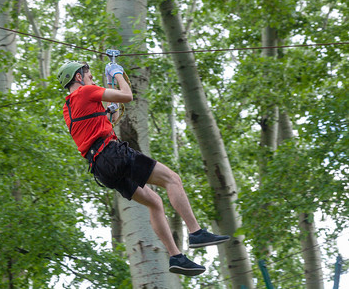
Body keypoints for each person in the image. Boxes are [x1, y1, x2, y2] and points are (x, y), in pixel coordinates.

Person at [58, 61, 230, 276]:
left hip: (101, 168)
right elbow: (127, 95)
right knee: (172, 179)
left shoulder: (68, 108)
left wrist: (107, 114)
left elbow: (91, 128)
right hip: (113, 154)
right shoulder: (87, 91)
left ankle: (176, 256)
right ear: (79, 78)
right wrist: (118, 73)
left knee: (155, 202)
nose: (92, 80)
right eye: (90, 76)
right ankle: (196, 232)